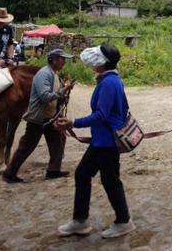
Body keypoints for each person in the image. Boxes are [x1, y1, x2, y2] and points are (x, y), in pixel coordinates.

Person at [55, 43, 135, 239]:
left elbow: (101, 115)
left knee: (110, 181)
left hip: (107, 143)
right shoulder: (108, 80)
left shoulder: (108, 83)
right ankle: (80, 220)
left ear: (102, 62)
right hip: (101, 141)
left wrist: (73, 122)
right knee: (83, 175)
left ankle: (123, 221)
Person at [2, 49, 75, 184]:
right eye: (62, 59)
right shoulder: (44, 74)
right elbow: (45, 96)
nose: (64, 61)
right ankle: (9, 173)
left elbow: (53, 95)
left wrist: (62, 95)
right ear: (53, 60)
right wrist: (63, 91)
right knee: (27, 146)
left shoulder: (53, 74)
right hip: (39, 118)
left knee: (58, 140)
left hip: (50, 116)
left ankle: (53, 170)